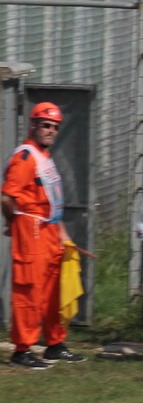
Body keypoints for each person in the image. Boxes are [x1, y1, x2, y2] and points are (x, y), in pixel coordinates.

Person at [3, 102, 83, 369]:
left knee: (52, 289)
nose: (50, 131)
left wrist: (62, 233)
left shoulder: (43, 156)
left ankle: (54, 343)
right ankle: (22, 349)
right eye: (45, 125)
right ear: (34, 125)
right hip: (31, 229)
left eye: (55, 127)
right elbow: (6, 197)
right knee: (29, 289)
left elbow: (51, 200)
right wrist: (13, 222)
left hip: (49, 230)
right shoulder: (24, 157)